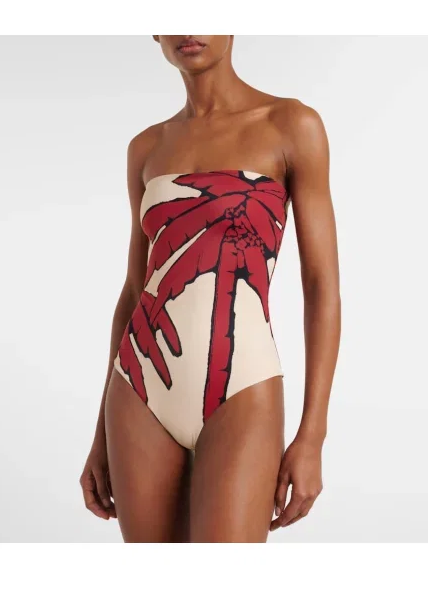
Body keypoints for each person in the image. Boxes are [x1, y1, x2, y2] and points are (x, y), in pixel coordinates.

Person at [79, 35, 341, 543]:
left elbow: (321, 285)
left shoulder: (290, 124)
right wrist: (99, 436)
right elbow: (135, 289)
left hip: (243, 385)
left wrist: (313, 435)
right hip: (138, 386)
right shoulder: (146, 147)